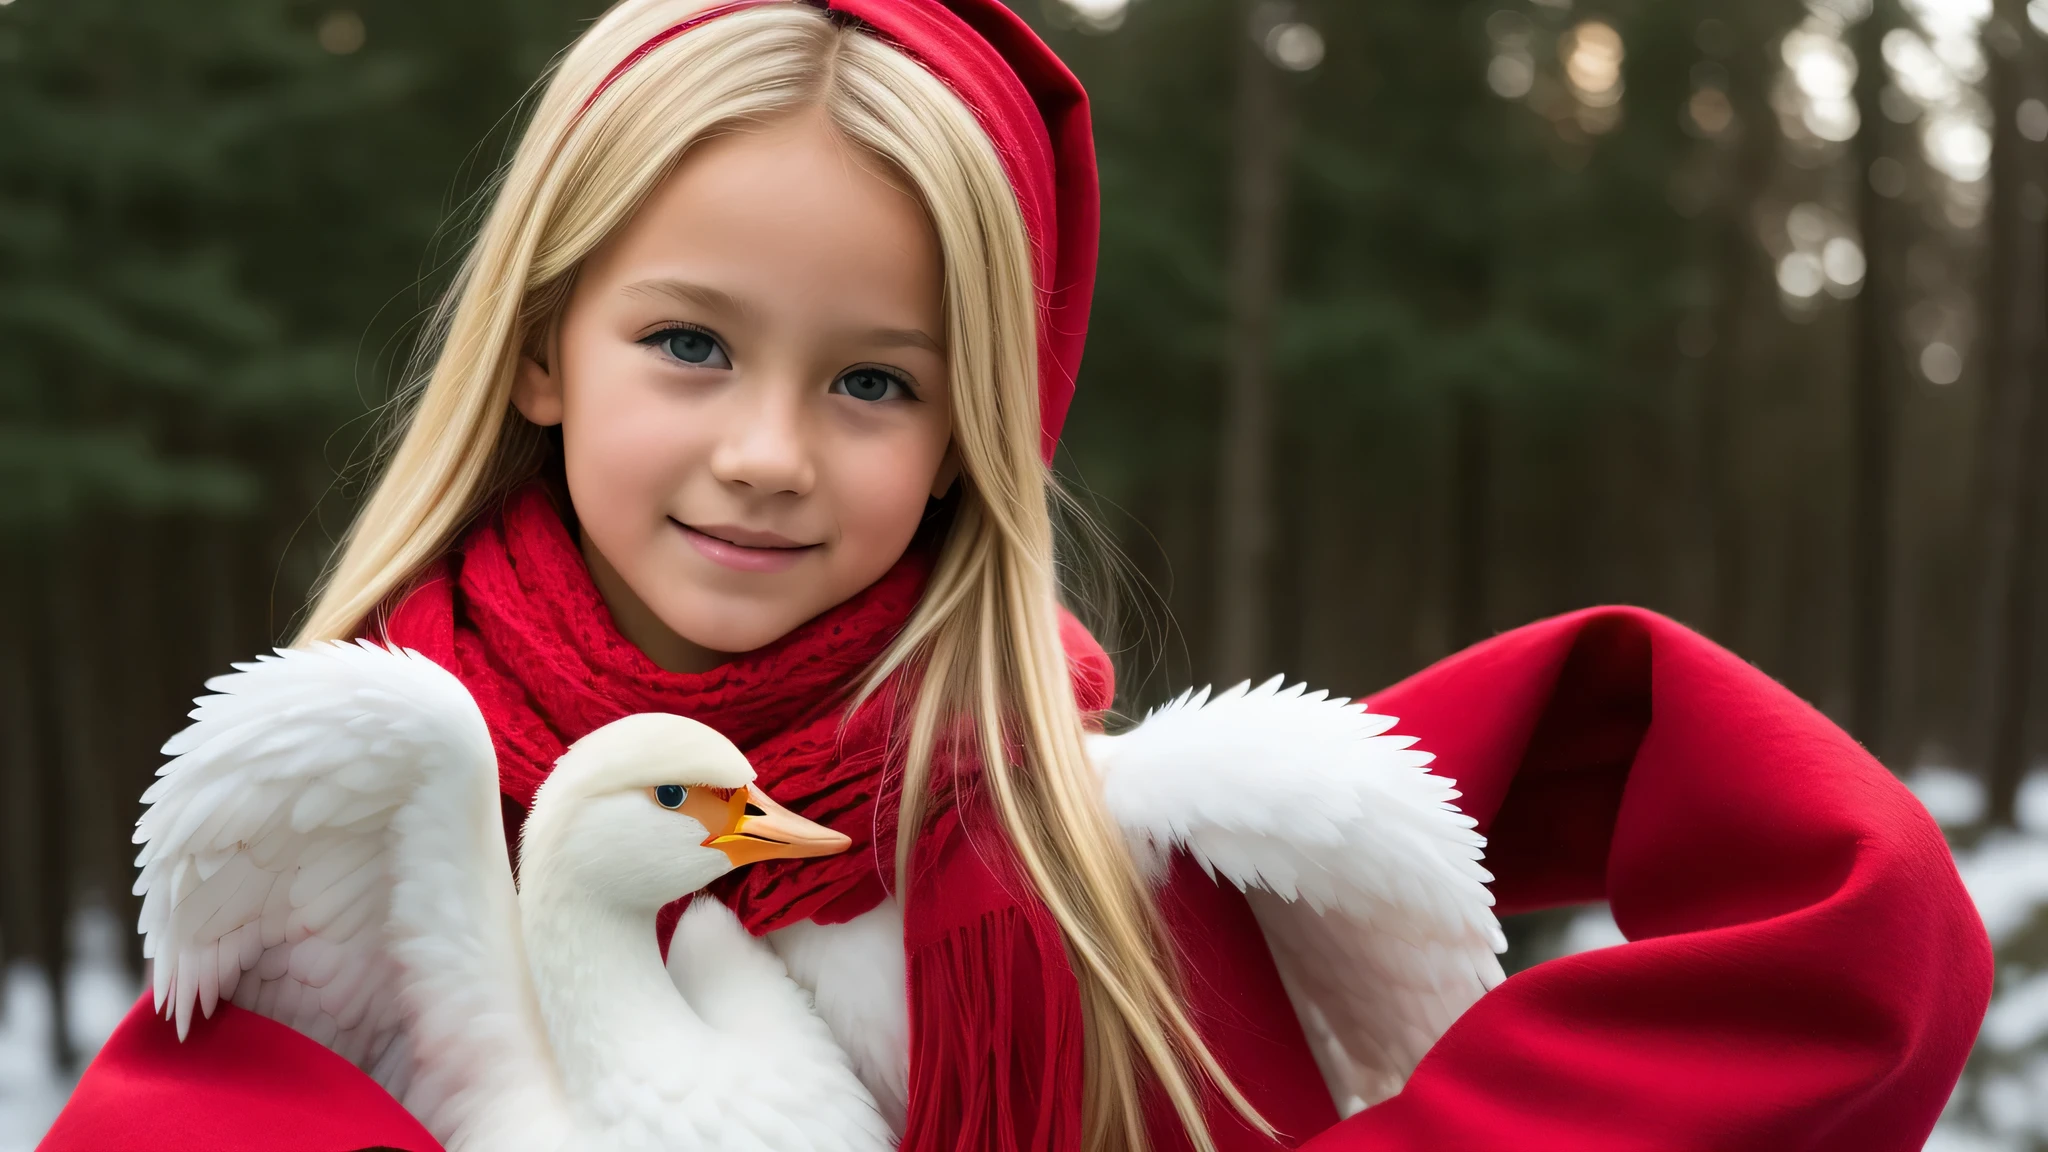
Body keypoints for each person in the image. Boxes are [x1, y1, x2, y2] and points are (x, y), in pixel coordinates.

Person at [43, 1, 1990, 1150]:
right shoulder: (377, 855)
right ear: (545, 347)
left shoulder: (1099, 881)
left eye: (874, 378)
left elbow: (1856, 927)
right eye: (691, 344)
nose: (768, 449)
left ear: (977, 426)